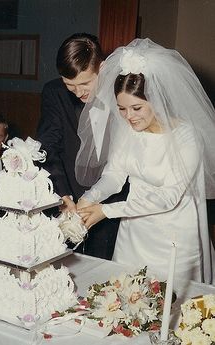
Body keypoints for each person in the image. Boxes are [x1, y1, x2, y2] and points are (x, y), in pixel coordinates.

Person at [76, 38, 215, 284]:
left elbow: (168, 196)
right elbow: (115, 174)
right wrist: (90, 197)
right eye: (121, 108)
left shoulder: (187, 136)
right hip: (134, 234)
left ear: (157, 99)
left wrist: (106, 211)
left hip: (174, 239)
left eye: (137, 108)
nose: (128, 117)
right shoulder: (128, 128)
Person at [36, 33, 129, 259]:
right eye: (70, 85)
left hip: (118, 205)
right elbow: (48, 147)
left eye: (85, 83)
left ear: (102, 67)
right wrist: (63, 194)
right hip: (72, 200)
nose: (79, 93)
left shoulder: (126, 95)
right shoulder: (54, 93)